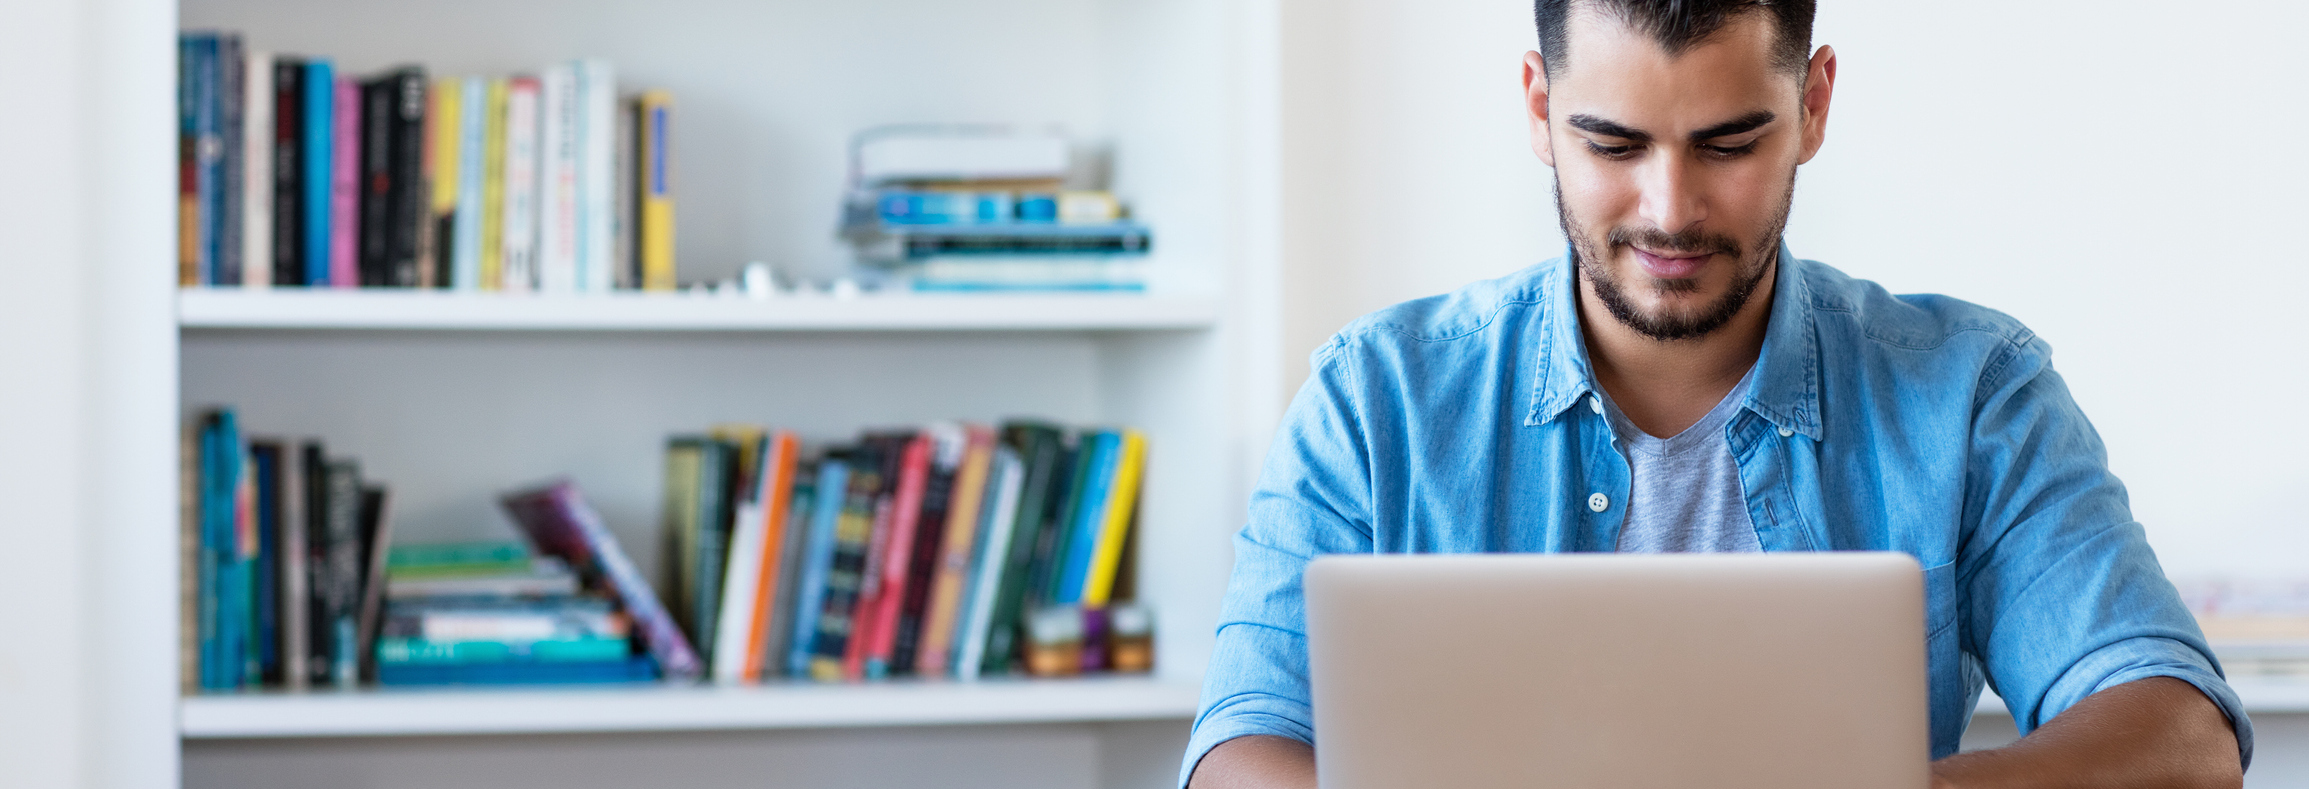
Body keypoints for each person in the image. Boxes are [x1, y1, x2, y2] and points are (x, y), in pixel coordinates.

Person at [1181, 1, 2252, 787]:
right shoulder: (1374, 398)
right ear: (1537, 107)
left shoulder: (1970, 389)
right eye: (1610, 143)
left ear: (1813, 103)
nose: (1669, 209)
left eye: (1728, 143)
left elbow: (2179, 733)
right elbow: (1239, 746)